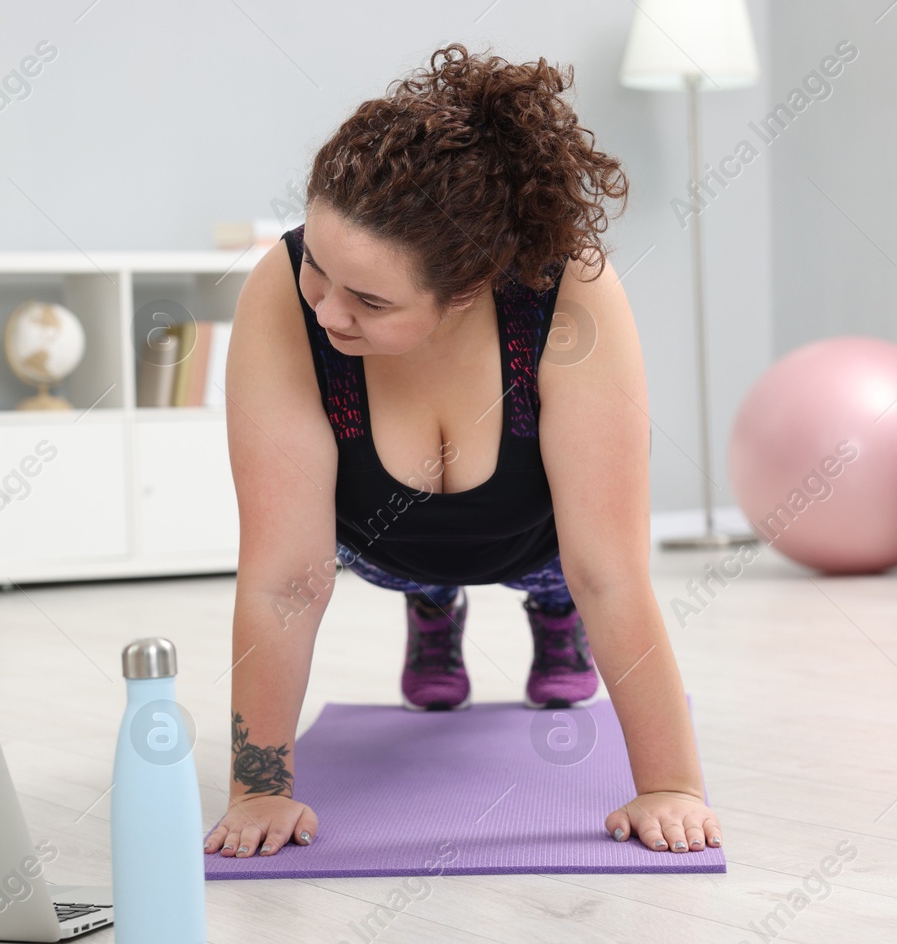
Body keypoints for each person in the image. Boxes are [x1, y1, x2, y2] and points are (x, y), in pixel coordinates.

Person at [203, 43, 722, 861]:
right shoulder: (282, 291)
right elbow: (286, 581)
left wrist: (670, 785)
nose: (328, 309)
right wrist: (258, 787)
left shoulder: (569, 295)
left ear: (473, 285)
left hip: (537, 540)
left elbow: (609, 571)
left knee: (567, 585)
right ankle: (432, 603)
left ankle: (551, 621)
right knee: (414, 569)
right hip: (384, 541)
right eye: (318, 271)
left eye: (369, 300)